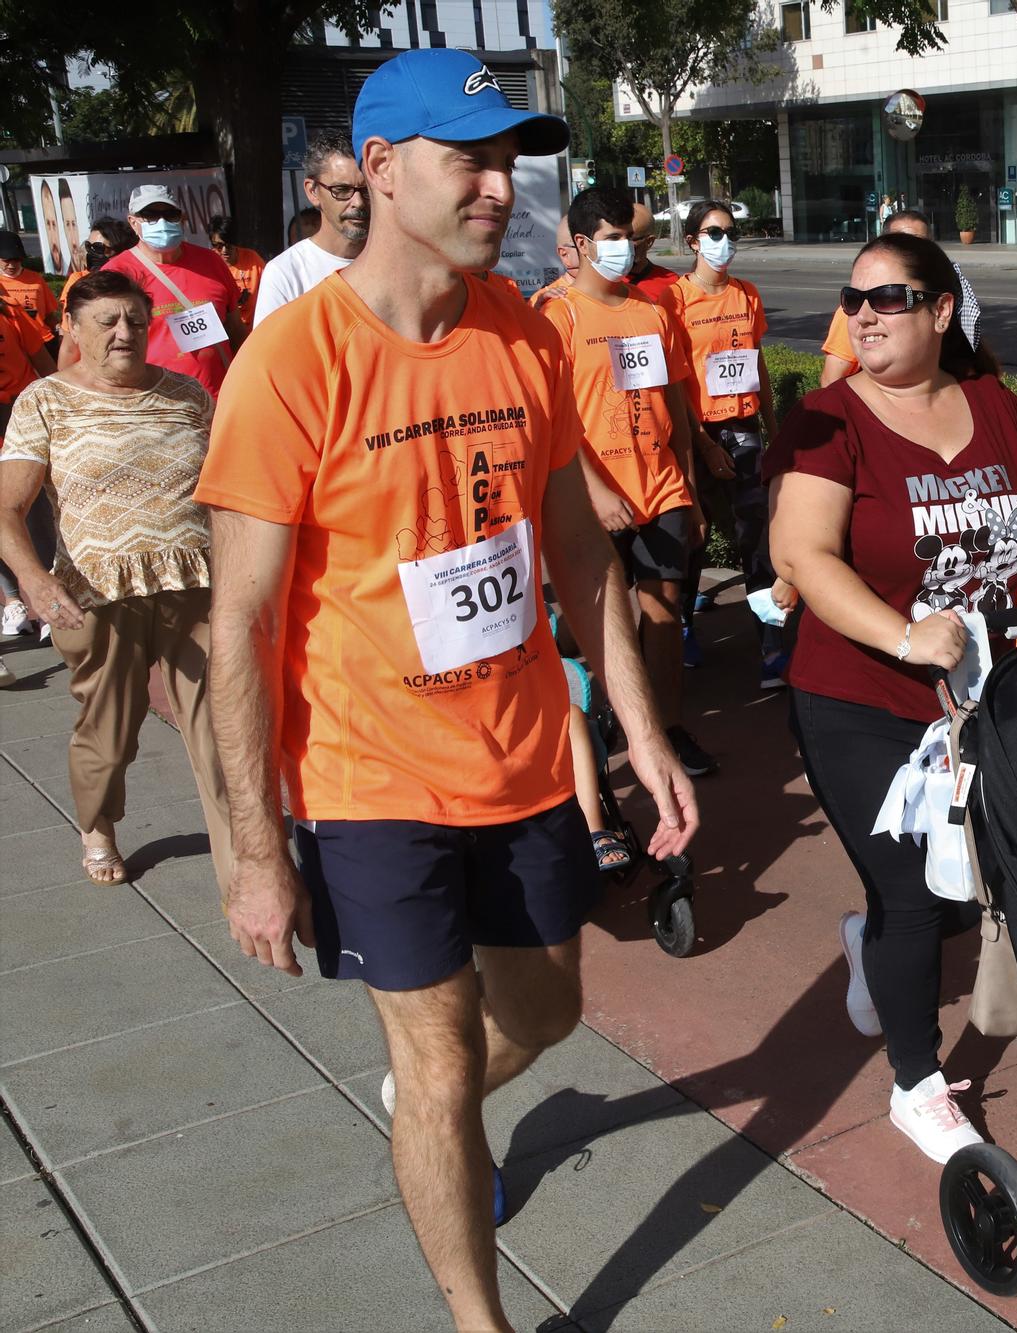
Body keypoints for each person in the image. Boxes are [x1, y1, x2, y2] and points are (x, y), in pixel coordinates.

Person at [194, 49, 699, 1331]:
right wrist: (254, 849)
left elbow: (579, 558)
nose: (498, 185)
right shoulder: (292, 362)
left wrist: (641, 737)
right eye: (469, 158)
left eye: (508, 159)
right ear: (377, 169)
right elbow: (239, 622)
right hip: (370, 777)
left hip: (524, 759)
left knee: (544, 1014)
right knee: (434, 1058)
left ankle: (437, 1114)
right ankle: (480, 1314)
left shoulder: (524, 337)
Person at [768, 231, 1017, 1165]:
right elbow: (804, 554)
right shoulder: (832, 418)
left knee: (981, 877)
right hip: (861, 698)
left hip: (979, 696)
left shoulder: (992, 407)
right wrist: (901, 634)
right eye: (854, 301)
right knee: (915, 894)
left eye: (886, 298)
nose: (863, 315)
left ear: (939, 310)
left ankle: (867, 941)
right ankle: (917, 1081)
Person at [0, 270, 233, 887]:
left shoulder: (188, 395)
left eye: (134, 319)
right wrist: (31, 579)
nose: (123, 332)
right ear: (71, 329)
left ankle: (243, 856)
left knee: (222, 727)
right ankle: (98, 827)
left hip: (198, 582)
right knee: (109, 737)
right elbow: (6, 508)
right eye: (106, 321)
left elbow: (232, 490)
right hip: (98, 595)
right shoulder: (44, 400)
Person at [543, 184, 715, 779]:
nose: (626, 250)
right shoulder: (557, 315)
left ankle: (667, 731)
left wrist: (688, 491)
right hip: (593, 495)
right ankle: (574, 671)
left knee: (666, 610)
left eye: (633, 239)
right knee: (596, 616)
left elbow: (676, 409)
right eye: (614, 239)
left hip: (660, 487)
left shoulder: (652, 311)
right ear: (585, 244)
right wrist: (593, 488)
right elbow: (553, 419)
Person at [666, 199, 785, 694]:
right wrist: (699, 443)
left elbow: (755, 363)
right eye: (714, 232)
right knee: (695, 535)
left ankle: (773, 649)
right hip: (699, 436)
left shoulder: (746, 294)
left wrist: (774, 426)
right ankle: (685, 630)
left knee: (756, 540)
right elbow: (674, 381)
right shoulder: (674, 301)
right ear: (693, 241)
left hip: (745, 431)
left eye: (731, 231)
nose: (725, 241)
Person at [100, 185, 244, 395]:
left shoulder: (211, 262)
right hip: (157, 404)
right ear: (133, 222)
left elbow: (235, 329)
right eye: (150, 215)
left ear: (182, 218)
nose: (162, 222)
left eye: (170, 214)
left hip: (220, 398)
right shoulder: (116, 273)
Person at [820, 209, 960, 387]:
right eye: (899, 243)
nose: (863, 316)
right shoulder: (854, 312)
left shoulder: (957, 301)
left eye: (921, 244)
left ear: (942, 310)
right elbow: (831, 379)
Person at [256, 133, 371, 324]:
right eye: (342, 190)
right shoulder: (285, 273)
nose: (358, 203)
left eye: (366, 190)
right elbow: (270, 352)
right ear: (312, 192)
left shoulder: (399, 262)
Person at [0, 274, 58, 642]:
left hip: (17, 415)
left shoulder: (9, 312)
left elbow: (43, 361)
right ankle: (12, 601)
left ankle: (53, 595)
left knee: (33, 507)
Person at [60, 218, 139, 307]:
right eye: (89, 246)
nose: (92, 253)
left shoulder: (137, 283)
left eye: (99, 247)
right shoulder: (78, 281)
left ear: (122, 252)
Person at [206, 216, 266, 330]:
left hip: (254, 330)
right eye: (218, 246)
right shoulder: (208, 264)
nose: (224, 250)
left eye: (228, 245)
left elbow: (270, 289)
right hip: (226, 332)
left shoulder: (252, 259)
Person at [0, 230, 61, 338]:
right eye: (6, 260)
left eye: (16, 260)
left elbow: (49, 316)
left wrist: (61, 331)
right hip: (15, 346)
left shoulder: (36, 279)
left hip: (44, 340)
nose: (11, 265)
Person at [529, 239, 579, 310]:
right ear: (564, 253)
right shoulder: (538, 301)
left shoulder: (599, 291)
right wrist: (538, 313)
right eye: (581, 245)